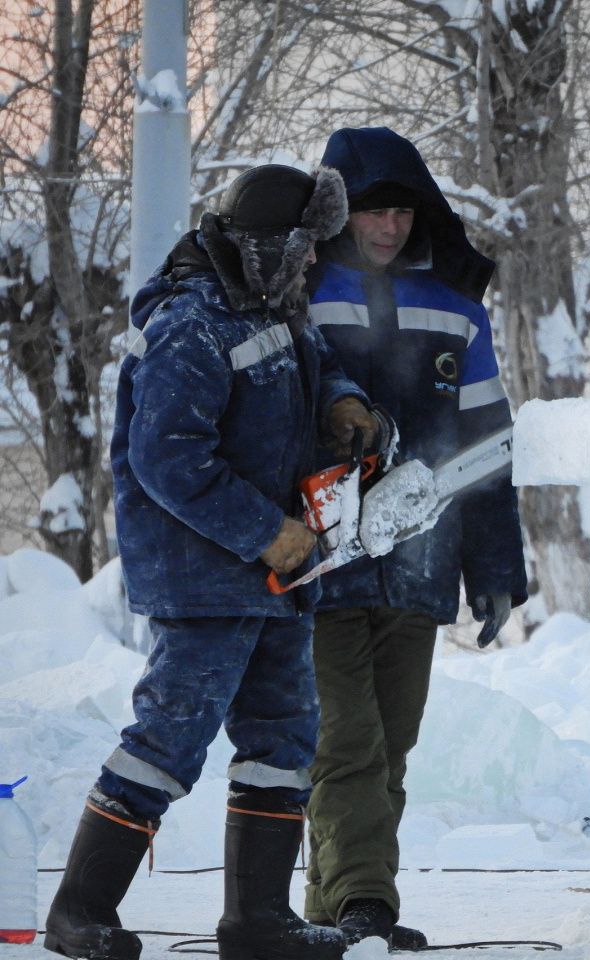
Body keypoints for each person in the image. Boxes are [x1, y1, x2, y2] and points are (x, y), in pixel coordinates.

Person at [43, 164, 383, 960]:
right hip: (206, 578)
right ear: (269, 248)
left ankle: (257, 922)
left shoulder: (272, 307)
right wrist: (266, 532)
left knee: (284, 738)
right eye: (304, 249)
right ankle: (78, 911)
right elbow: (166, 457)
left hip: (277, 576)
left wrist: (341, 400)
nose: (313, 263)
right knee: (171, 734)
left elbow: (310, 365)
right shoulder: (191, 325)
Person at [302, 127, 528, 948]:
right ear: (338, 214)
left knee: (391, 743)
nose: (389, 227)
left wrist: (495, 570)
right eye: (372, 212)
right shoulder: (298, 292)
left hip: (421, 560)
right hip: (319, 560)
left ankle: (334, 908)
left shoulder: (459, 310)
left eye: (401, 211)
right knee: (346, 739)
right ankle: (367, 901)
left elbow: (489, 448)